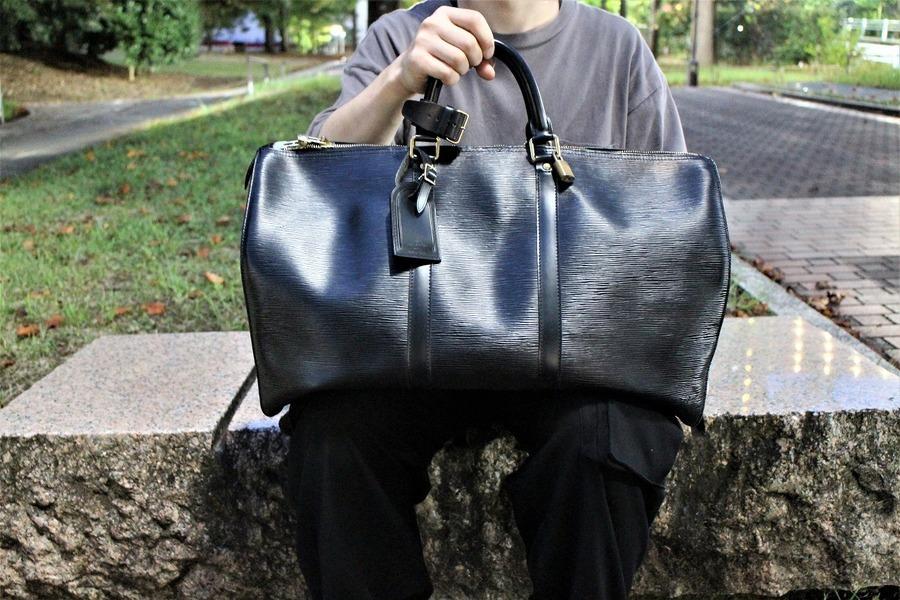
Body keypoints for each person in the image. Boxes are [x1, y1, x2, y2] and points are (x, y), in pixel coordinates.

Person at [279, 1, 688, 598]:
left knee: (607, 443)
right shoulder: (400, 36)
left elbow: (668, 213)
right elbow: (318, 184)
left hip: (575, 346)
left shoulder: (618, 48)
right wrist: (400, 80)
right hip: (411, 337)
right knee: (333, 440)